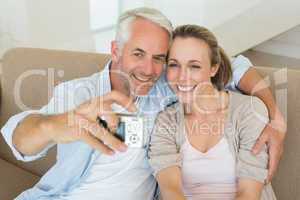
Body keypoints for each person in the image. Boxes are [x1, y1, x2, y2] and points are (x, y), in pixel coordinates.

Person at [1, 7, 284, 200]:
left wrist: (275, 118)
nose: (149, 69)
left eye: (159, 58)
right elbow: (20, 141)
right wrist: (56, 126)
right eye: (138, 53)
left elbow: (233, 66)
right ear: (115, 49)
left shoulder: (170, 87)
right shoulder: (78, 94)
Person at [148, 25, 277, 200]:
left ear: (213, 68)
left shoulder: (249, 111)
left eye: (194, 66)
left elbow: (249, 193)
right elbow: (171, 191)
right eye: (174, 65)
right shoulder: (166, 120)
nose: (182, 76)